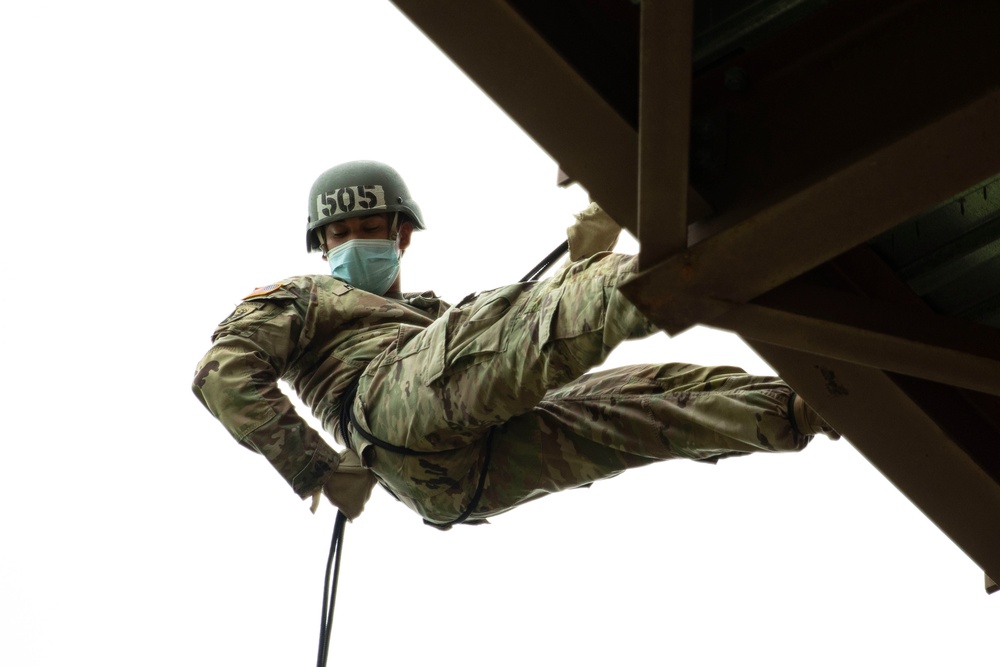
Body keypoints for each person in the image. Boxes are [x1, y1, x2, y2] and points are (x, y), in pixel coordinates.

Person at [192, 160, 837, 529]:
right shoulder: (303, 296)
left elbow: (518, 346)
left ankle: (797, 408)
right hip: (383, 411)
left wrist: (577, 267)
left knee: (623, 405)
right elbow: (223, 372)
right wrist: (317, 468)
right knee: (511, 321)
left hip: (455, 481)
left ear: (401, 236)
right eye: (339, 234)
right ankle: (674, 274)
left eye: (369, 227)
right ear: (321, 245)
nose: (354, 242)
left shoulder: (426, 318)